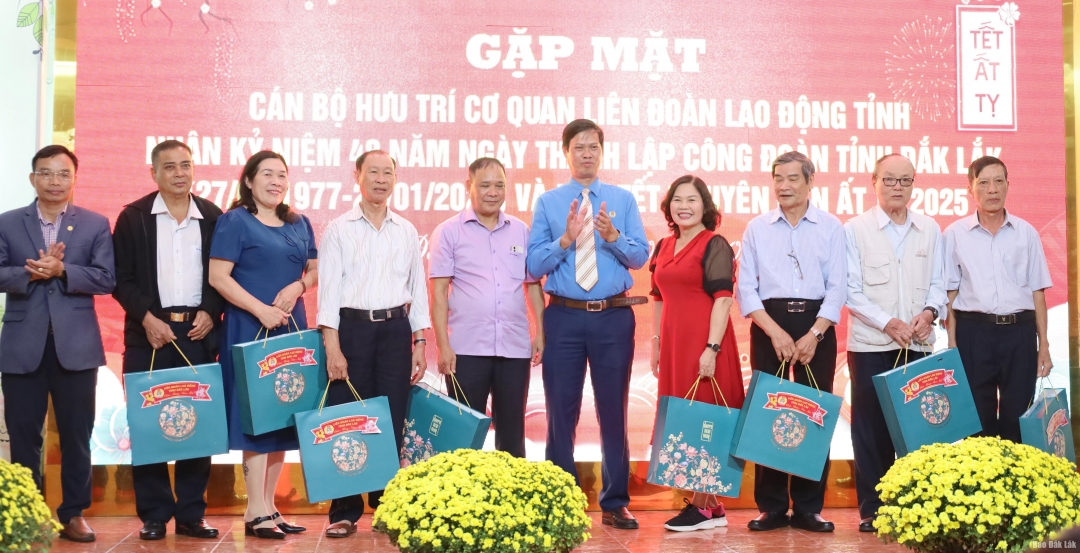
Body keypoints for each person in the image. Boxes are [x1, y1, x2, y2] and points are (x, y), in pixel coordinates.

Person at [527, 119, 650, 530]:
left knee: (613, 408)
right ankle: (560, 499)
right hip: (563, 316)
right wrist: (565, 240)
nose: (586, 154)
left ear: (602, 151)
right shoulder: (548, 202)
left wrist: (613, 236)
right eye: (579, 147)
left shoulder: (622, 200)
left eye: (593, 147)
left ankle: (615, 501)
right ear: (566, 152)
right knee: (560, 412)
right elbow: (533, 265)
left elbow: (640, 257)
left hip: (613, 317)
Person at [0, 145, 115, 542]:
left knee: (76, 435)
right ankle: (28, 513)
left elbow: (106, 278)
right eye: (46, 173)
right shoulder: (7, 222)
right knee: (23, 435)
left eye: (63, 173)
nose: (54, 181)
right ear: (33, 178)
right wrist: (30, 273)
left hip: (76, 346)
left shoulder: (95, 223)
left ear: (74, 179)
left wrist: (63, 269)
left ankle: (73, 513)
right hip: (22, 346)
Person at [112, 139, 223, 540]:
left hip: (198, 332)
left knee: (198, 422)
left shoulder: (212, 216)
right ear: (154, 173)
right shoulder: (134, 217)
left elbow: (224, 273)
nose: (179, 173)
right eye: (170, 166)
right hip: (149, 334)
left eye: (186, 165)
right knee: (148, 423)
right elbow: (119, 278)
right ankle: (155, 514)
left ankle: (192, 513)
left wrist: (211, 310)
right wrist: (146, 318)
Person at [317, 150, 431, 538]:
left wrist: (419, 340)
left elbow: (417, 290)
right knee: (347, 417)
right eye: (374, 172)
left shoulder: (406, 230)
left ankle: (388, 507)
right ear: (358, 176)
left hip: (396, 331)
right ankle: (344, 510)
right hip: (351, 331)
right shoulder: (339, 229)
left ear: (396, 178)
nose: (381, 179)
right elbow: (328, 295)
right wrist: (332, 347)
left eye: (388, 173)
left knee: (391, 417)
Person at [208, 151, 317, 539]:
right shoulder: (235, 221)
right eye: (267, 174)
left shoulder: (299, 223)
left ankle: (270, 506)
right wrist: (261, 310)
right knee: (255, 419)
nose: (276, 181)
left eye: (282, 175)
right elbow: (219, 277)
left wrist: (299, 286)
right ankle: (254, 509)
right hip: (249, 329)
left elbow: (314, 268)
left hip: (291, 329)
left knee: (283, 416)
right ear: (249, 181)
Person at [735, 151, 845, 533]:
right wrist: (775, 332)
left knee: (815, 415)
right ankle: (771, 506)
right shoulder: (757, 228)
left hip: (817, 324)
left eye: (793, 178)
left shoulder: (831, 227)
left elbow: (838, 287)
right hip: (770, 324)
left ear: (810, 182)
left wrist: (815, 333)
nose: (784, 186)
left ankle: (809, 507)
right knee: (768, 413)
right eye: (778, 178)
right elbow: (745, 289)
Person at [844, 154, 947, 532]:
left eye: (905, 180)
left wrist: (930, 313)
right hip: (871, 344)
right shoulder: (855, 229)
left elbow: (939, 282)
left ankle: (914, 503)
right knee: (870, 428)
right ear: (874, 182)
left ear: (914, 184)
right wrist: (887, 323)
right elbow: (850, 291)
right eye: (889, 180)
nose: (897, 187)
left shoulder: (929, 228)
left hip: (917, 344)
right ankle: (874, 509)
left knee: (917, 427)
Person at [429, 157, 545, 457]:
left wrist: (540, 332)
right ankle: (463, 489)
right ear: (469, 186)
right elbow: (439, 294)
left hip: (514, 348)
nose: (493, 192)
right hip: (466, 350)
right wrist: (443, 346)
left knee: (512, 437)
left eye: (499, 185)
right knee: (464, 438)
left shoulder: (521, 231)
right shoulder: (449, 231)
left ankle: (510, 488)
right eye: (485, 185)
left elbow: (533, 286)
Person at [648, 174, 745, 532]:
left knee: (707, 421)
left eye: (692, 199)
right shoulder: (663, 246)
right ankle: (713, 505)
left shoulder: (714, 244)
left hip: (705, 344)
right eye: (677, 200)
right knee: (683, 420)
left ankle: (701, 508)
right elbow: (658, 299)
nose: (683, 206)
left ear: (705, 206)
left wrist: (712, 348)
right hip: (675, 345)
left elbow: (724, 300)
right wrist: (656, 342)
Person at [943, 156, 1052, 442]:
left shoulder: (1026, 233)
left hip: (1020, 333)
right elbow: (950, 294)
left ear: (1007, 186)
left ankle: (1014, 471)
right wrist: (951, 342)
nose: (992, 189)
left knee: (1019, 417)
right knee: (977, 421)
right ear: (970, 189)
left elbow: (1038, 292)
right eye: (984, 183)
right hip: (973, 333)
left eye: (999, 181)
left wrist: (1044, 345)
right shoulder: (954, 234)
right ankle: (981, 472)